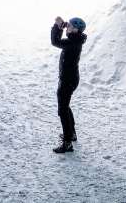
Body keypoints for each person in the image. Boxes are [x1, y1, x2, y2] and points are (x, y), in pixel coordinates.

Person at [50, 15, 87, 153]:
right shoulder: (75, 39)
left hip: (67, 80)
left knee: (62, 110)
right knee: (65, 107)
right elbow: (63, 36)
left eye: (71, 26)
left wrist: (56, 26)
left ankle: (67, 143)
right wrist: (63, 25)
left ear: (77, 30)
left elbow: (55, 42)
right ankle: (71, 134)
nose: (68, 27)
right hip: (70, 79)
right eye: (69, 25)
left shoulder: (73, 42)